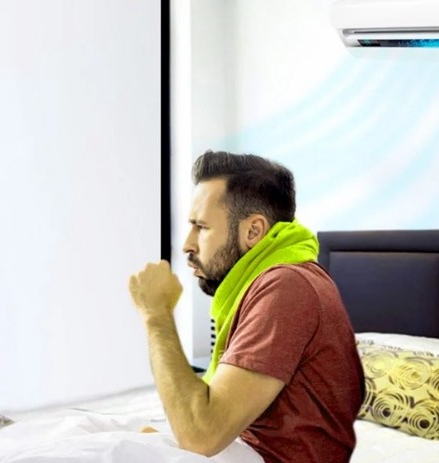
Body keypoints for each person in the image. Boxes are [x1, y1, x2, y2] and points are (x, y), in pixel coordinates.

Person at [128, 150, 364, 463]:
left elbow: (202, 435)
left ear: (253, 231)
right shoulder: (275, 279)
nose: (187, 244)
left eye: (202, 227)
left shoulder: (288, 287)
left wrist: (156, 315)